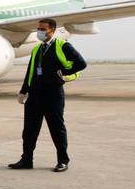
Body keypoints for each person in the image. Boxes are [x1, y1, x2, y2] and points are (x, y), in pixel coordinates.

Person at [9, 18, 87, 172]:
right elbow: (30, 71)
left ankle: (63, 160)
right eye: (39, 29)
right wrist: (23, 91)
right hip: (35, 95)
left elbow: (81, 63)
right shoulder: (37, 48)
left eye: (43, 29)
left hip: (53, 95)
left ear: (53, 30)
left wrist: (63, 73)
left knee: (57, 129)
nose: (40, 32)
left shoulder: (63, 46)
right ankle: (26, 160)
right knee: (29, 130)